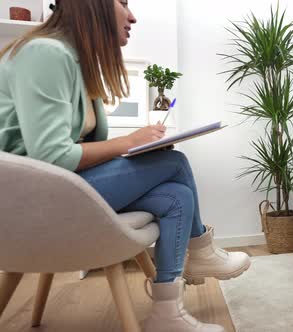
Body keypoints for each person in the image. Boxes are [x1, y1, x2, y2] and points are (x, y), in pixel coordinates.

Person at [0, 1, 249, 331]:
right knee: (174, 162)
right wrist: (128, 143)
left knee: (177, 196)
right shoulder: (45, 53)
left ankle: (167, 315)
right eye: (123, 3)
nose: (132, 16)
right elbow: (51, 156)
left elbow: (73, 151)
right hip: (31, 204)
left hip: (59, 191)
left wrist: (135, 148)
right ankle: (200, 249)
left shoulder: (73, 63)